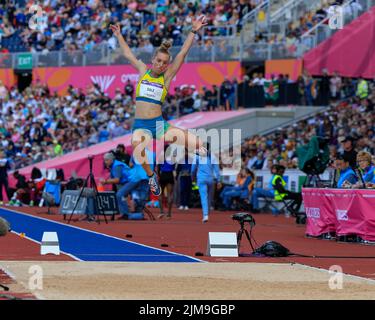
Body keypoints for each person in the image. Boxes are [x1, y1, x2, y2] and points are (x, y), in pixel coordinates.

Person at [110, 15, 208, 197]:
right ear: (153, 60)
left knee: (199, 144)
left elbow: (182, 53)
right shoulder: (142, 71)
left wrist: (193, 31)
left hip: (159, 124)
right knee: (136, 145)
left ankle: (202, 167)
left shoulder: (167, 77)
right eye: (159, 61)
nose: (161, 64)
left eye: (165, 63)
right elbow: (128, 54)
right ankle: (151, 176)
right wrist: (118, 35)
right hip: (141, 125)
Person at [191, 144, 220, 223]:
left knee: (204, 197)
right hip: (211, 179)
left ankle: (205, 215)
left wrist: (192, 178)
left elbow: (193, 169)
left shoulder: (197, 156)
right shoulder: (212, 156)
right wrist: (218, 180)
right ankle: (207, 213)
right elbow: (217, 170)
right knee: (210, 197)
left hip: (201, 179)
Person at [157, 144, 176, 219]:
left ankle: (161, 212)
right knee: (169, 195)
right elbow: (174, 168)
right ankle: (169, 214)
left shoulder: (161, 157)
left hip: (163, 175)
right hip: (170, 175)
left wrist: (158, 176)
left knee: (160, 194)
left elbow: (158, 168)